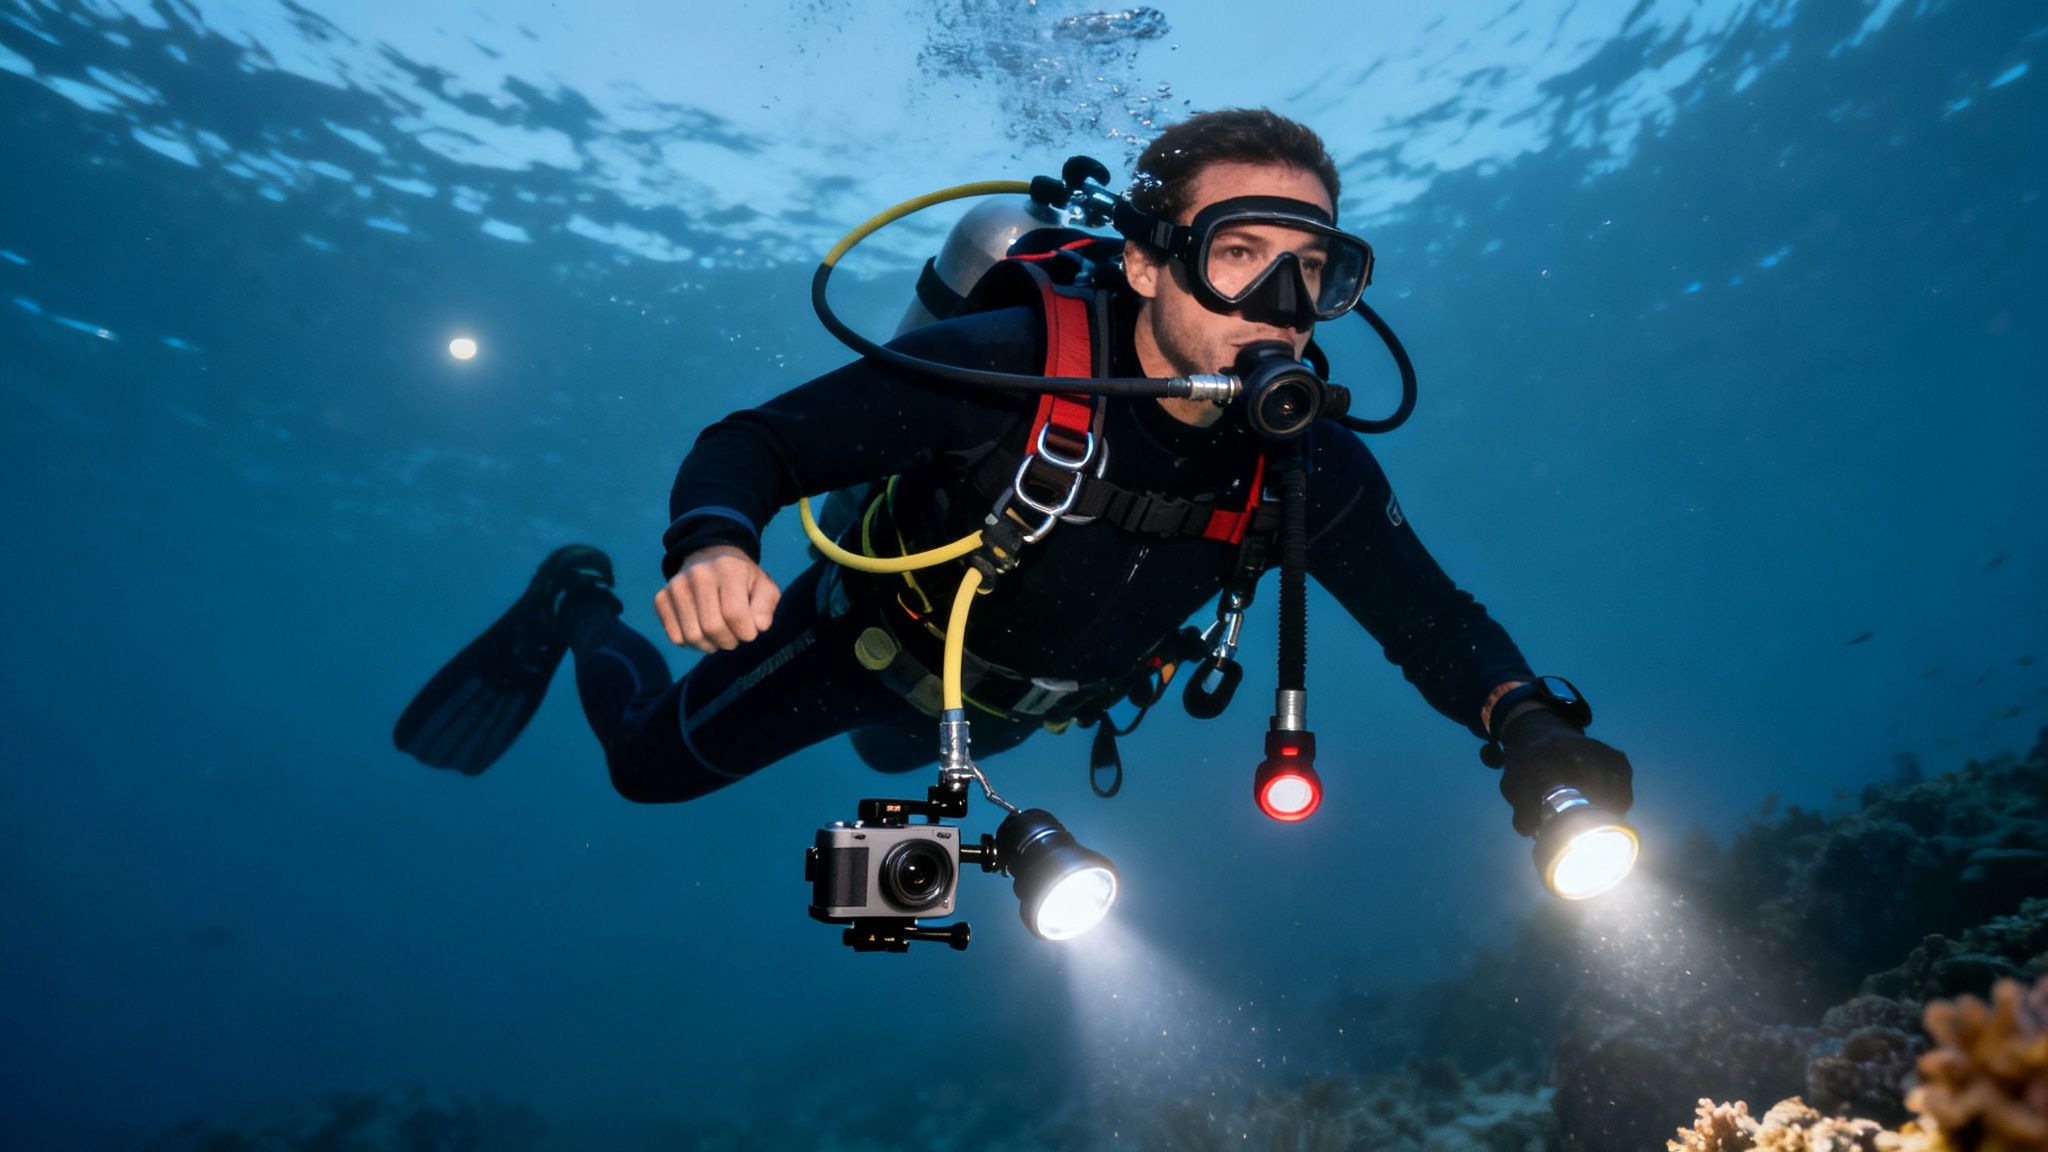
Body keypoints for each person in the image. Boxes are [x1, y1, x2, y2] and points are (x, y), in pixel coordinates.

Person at [394, 108, 1634, 842]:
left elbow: (1430, 623)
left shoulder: (1308, 461)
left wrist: (1527, 727)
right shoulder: (1006, 366)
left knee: (893, 770)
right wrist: (711, 546)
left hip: (1028, 709)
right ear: (1148, 264)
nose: (1283, 306)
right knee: (644, 773)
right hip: (864, 646)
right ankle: (578, 605)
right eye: (1240, 253)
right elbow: (755, 444)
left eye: (1315, 270)